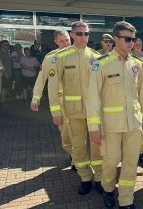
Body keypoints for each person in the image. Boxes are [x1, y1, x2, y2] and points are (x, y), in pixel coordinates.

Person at [87, 21, 143, 209]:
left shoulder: (137, 64)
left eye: (133, 39)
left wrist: (142, 120)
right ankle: (108, 190)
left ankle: (126, 199)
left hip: (133, 125)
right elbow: (92, 97)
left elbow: (141, 95)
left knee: (130, 162)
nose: (131, 43)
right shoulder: (101, 64)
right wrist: (93, 127)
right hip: (110, 125)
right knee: (111, 162)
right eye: (127, 39)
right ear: (116, 39)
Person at [48, 21, 102, 195]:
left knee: (98, 146)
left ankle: (100, 178)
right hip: (73, 112)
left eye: (86, 34)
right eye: (79, 34)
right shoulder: (62, 57)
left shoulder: (96, 56)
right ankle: (85, 178)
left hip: (94, 112)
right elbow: (53, 86)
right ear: (72, 35)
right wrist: (56, 112)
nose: (83, 37)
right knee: (78, 147)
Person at [30, 30, 74, 170]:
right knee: (66, 136)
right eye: (62, 41)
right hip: (60, 101)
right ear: (56, 42)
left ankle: (79, 160)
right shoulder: (51, 58)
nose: (65, 43)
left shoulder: (78, 55)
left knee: (80, 133)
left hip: (79, 102)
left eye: (67, 40)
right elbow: (41, 78)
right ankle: (73, 154)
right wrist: (35, 98)